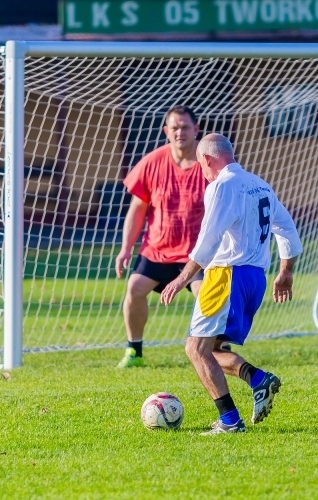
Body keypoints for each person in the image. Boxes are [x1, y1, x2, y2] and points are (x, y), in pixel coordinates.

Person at [161, 133, 303, 435]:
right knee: (210, 349)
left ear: (208, 160)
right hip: (255, 279)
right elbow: (286, 227)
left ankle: (229, 421)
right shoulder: (260, 184)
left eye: (202, 165)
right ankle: (257, 379)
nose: (203, 171)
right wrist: (286, 270)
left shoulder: (221, 186)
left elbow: (209, 238)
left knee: (195, 350)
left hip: (226, 275)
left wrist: (183, 277)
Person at [114, 105, 208, 368]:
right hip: (158, 250)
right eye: (174, 128)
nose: (180, 132)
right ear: (166, 131)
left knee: (206, 295)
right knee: (134, 289)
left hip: (197, 253)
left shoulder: (209, 162)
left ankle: (209, 350)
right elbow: (137, 209)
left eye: (185, 127)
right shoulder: (152, 162)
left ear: (196, 129)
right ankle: (134, 351)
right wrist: (125, 249)